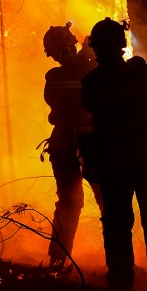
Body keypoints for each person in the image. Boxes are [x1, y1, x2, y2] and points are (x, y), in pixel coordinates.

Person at [79, 17, 147, 291]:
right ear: (122, 45)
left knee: (118, 226)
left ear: (95, 48)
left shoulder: (93, 82)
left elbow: (88, 112)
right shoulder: (142, 74)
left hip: (115, 161)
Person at [41, 22, 99, 272]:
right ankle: (57, 262)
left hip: (76, 144)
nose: (62, 54)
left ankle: (58, 262)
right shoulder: (56, 77)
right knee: (71, 202)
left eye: (63, 48)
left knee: (79, 202)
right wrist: (89, 57)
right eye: (59, 50)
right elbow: (78, 84)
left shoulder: (89, 68)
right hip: (84, 144)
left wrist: (89, 58)